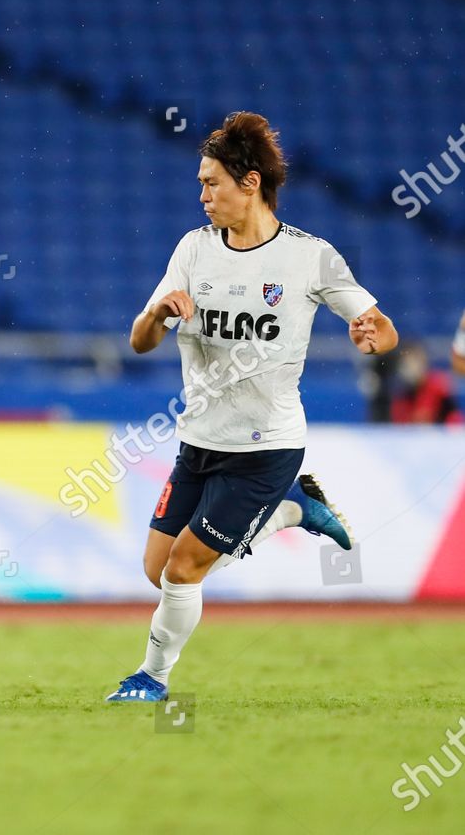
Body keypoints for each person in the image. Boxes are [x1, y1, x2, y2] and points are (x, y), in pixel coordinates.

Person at [106, 113, 397, 704]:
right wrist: (159, 313)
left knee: (184, 569)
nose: (202, 195)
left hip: (266, 445)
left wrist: (373, 334)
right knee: (156, 569)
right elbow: (138, 340)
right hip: (200, 440)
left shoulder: (310, 257)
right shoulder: (192, 249)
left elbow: (383, 328)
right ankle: (293, 509)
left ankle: (151, 679)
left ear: (250, 182)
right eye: (201, 182)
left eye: (211, 182)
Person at [388, 342, 460, 425]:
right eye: (405, 365)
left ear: (423, 362)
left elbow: (454, 418)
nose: (410, 369)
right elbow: (398, 427)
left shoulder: (438, 386)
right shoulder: (400, 395)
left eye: (413, 363)